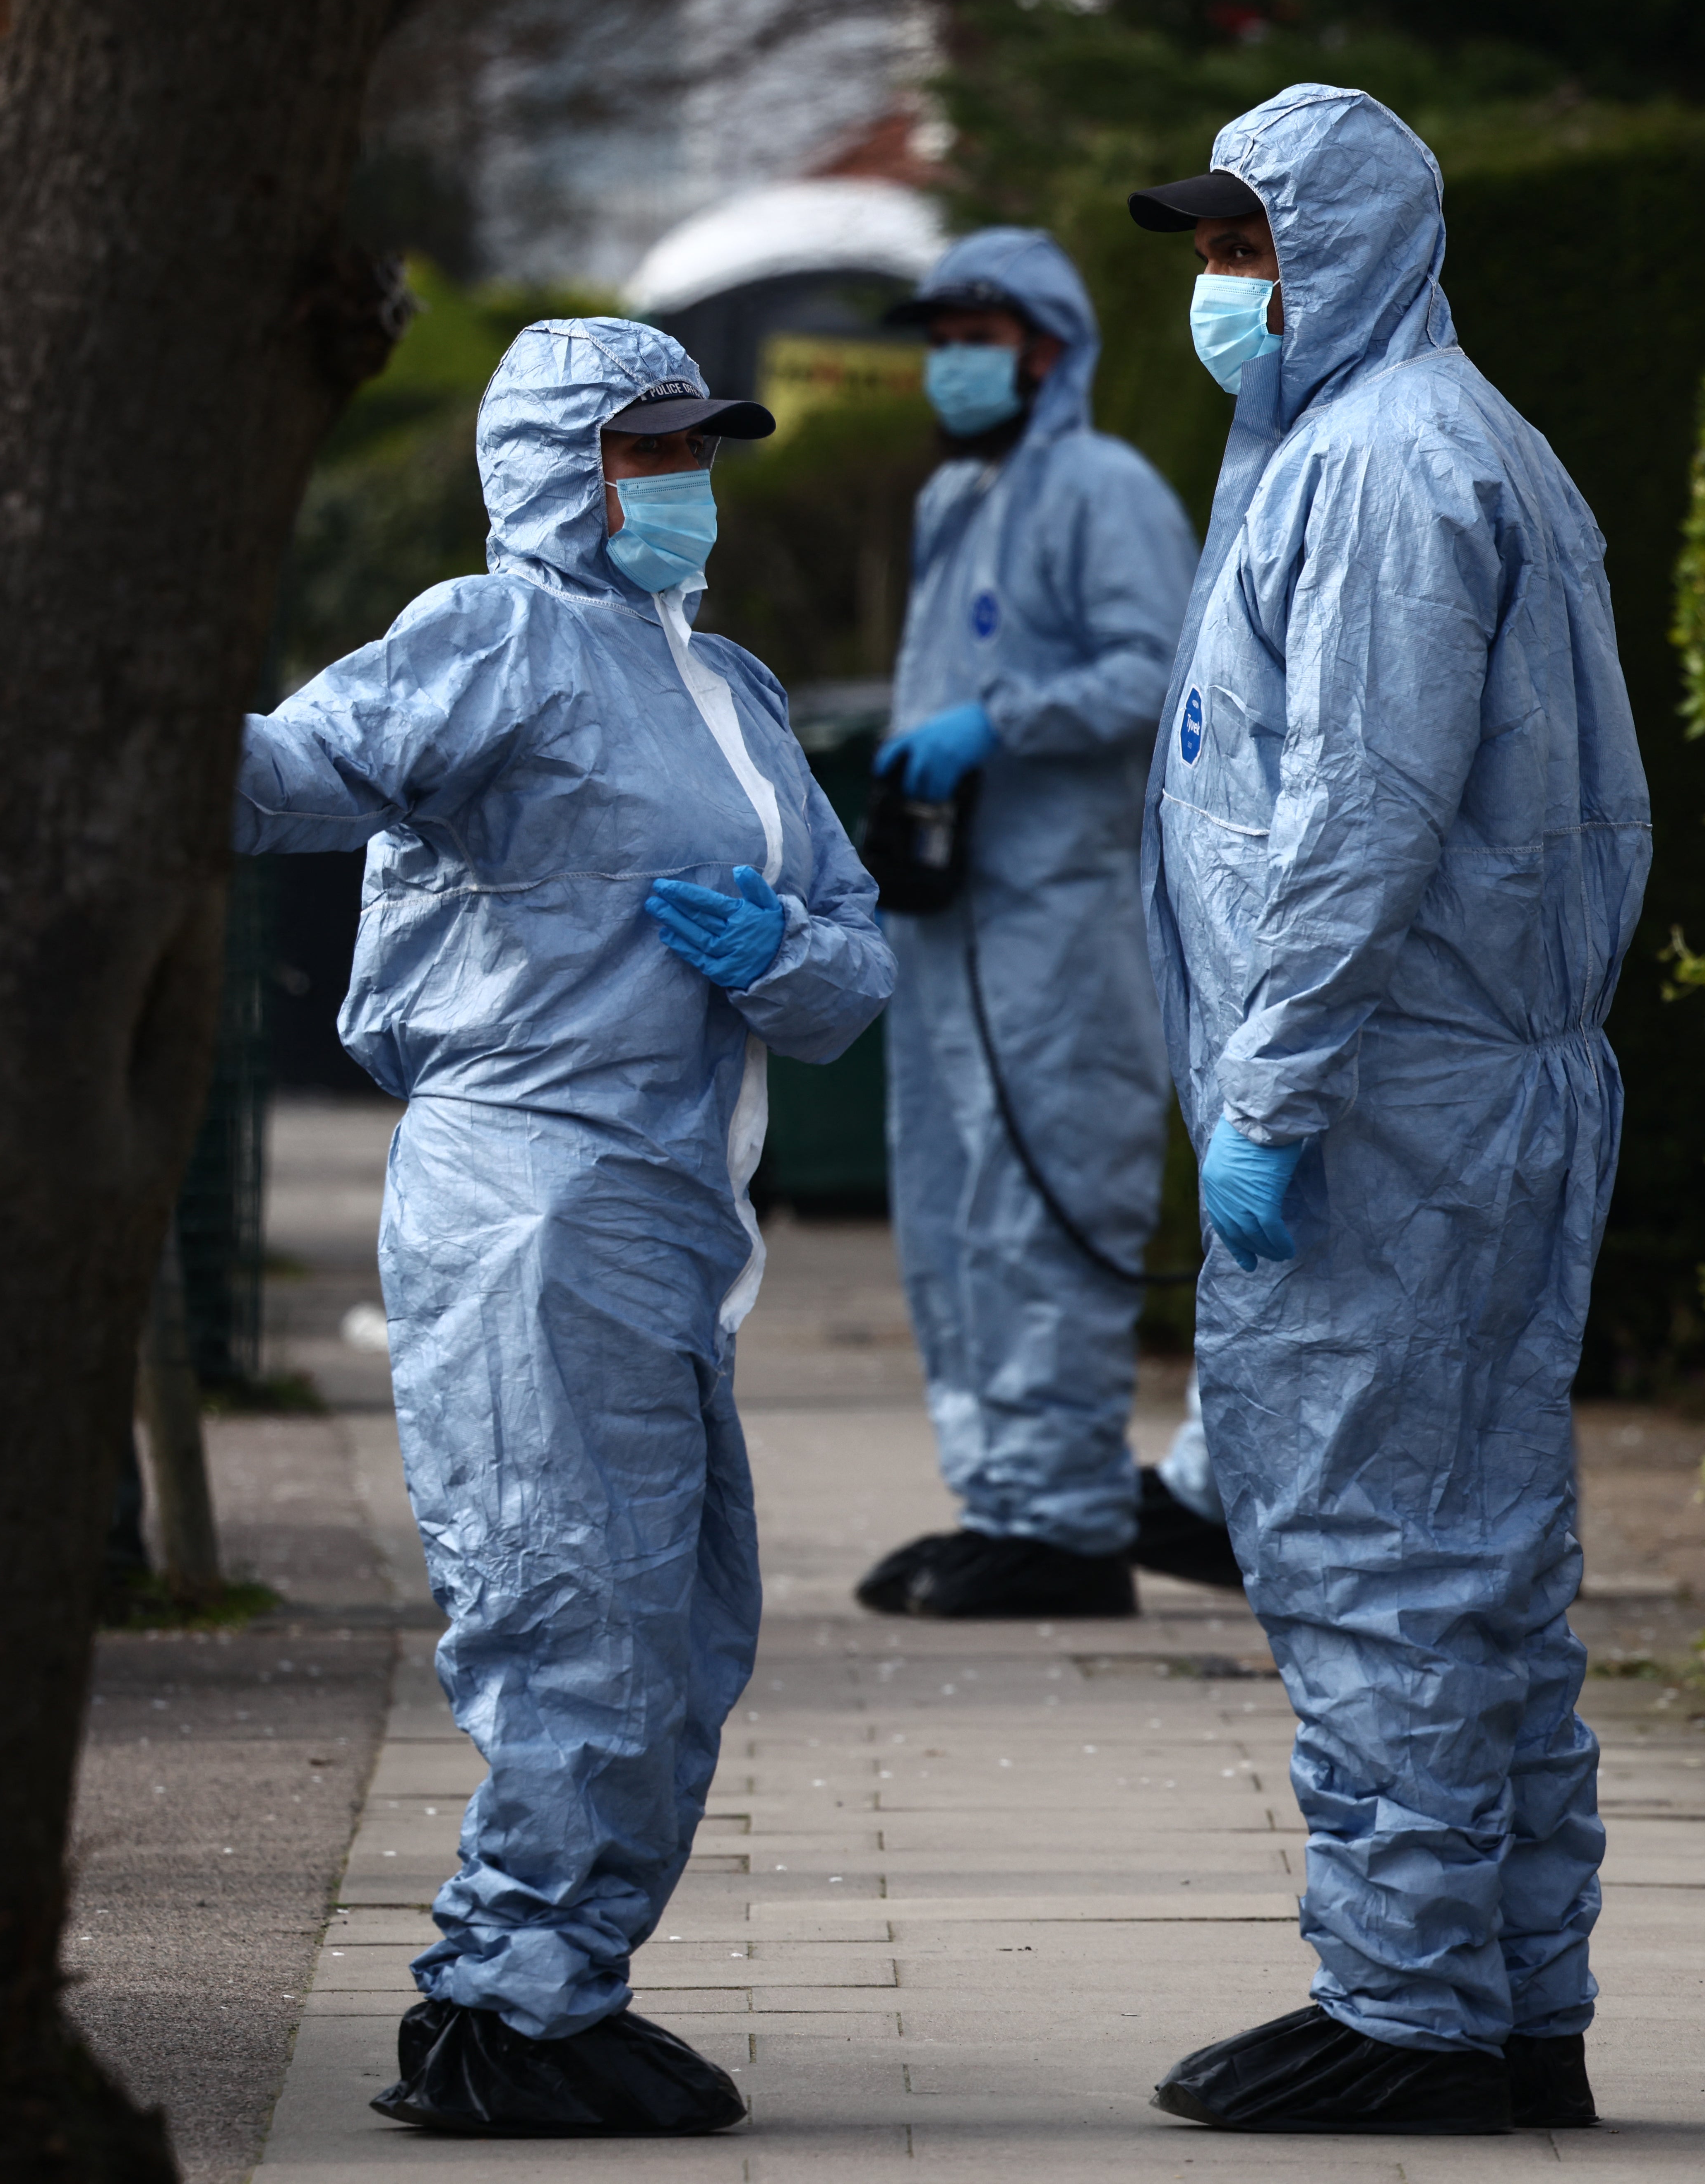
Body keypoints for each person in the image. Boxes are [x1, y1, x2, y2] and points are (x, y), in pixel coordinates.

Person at [233, 318, 890, 2138]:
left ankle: (556, 1978)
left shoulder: (732, 686)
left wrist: (790, 957)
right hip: (530, 1188)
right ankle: (502, 2000)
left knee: (679, 1619)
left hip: (666, 1202)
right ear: (553, 465)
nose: (678, 482)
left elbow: (855, 949)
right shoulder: (490, 636)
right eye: (640, 447)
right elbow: (286, 776)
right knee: (572, 1605)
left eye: (693, 447)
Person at [1126, 86, 1652, 2135]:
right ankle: (1516, 1998)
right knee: (1484, 1567)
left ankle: (1411, 2004)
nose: (1215, 287)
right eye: (1202, 247)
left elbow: (1358, 817)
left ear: (1345, 246)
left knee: (1371, 1553)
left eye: (1243, 245)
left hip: (1388, 1102)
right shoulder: (1414, 446)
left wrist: (1268, 1090)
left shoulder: (1379, 471)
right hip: (1452, 1081)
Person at [852, 226, 1239, 1619]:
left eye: (980, 335)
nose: (954, 364)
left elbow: (1161, 665)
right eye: (939, 338)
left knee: (1044, 1211)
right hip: (956, 924)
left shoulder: (1101, 487)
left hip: (1062, 930)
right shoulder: (961, 496)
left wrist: (998, 722)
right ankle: (1003, 1502)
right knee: (958, 1223)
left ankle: (1071, 1524)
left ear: (1052, 346)